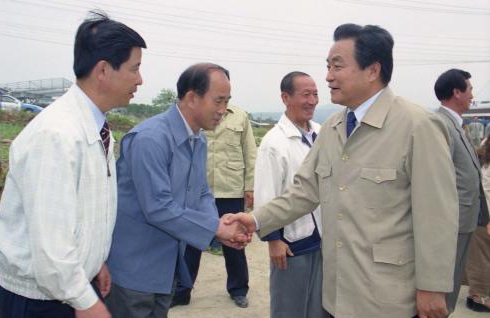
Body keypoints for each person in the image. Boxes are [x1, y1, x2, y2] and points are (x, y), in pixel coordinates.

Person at [228, 23, 459, 318]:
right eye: (328, 66)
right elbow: (303, 192)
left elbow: (437, 214)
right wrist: (254, 219)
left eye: (337, 66)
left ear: (372, 70)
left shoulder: (417, 126)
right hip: (338, 293)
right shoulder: (333, 128)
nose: (328, 76)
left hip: (389, 297)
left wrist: (433, 286)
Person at [0, 11, 146, 318]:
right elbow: (50, 243)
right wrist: (84, 300)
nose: (140, 80)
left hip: (68, 287)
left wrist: (95, 261)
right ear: (103, 70)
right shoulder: (56, 135)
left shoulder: (95, 127)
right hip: (42, 300)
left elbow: (82, 212)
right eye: (135, 68)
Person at [105, 63, 250, 318]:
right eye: (218, 101)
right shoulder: (151, 139)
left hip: (166, 268)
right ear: (192, 98)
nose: (223, 110)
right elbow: (158, 208)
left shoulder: (199, 138)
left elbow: (202, 192)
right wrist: (215, 229)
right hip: (134, 272)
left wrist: (219, 224)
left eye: (227, 101)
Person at [172, 103, 256, 308]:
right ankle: (183, 291)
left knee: (235, 241)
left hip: (231, 187)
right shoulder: (198, 114)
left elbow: (250, 152)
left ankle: (238, 289)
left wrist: (250, 186)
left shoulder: (240, 115)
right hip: (200, 190)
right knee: (192, 242)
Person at [255, 71, 324, 318]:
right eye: (305, 94)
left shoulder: (321, 133)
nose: (312, 101)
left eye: (315, 94)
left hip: (323, 238)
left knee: (319, 308)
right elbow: (266, 195)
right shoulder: (274, 143)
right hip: (292, 243)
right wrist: (274, 240)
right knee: (289, 308)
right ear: (285, 97)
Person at [434, 68, 489, 313]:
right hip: (452, 222)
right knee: (443, 284)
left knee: (454, 281)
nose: (472, 95)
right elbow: (437, 178)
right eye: (470, 89)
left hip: (467, 220)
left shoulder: (456, 124)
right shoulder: (439, 124)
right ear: (456, 92)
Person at [465, 138, 490, 312]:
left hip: (481, 217)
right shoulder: (486, 164)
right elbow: (486, 191)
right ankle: (478, 298)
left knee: (480, 258)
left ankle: (478, 295)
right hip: (483, 219)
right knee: (481, 260)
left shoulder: (482, 156)